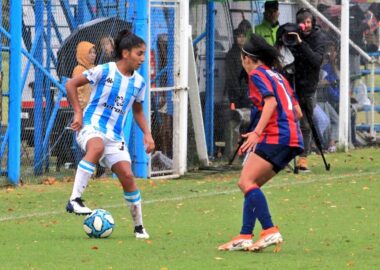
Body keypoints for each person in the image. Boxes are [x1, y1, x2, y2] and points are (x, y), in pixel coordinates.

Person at [65, 29, 155, 239]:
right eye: (139, 53)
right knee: (97, 147)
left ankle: (139, 227)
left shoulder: (139, 83)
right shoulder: (104, 70)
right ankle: (75, 199)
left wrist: (147, 134)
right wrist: (78, 113)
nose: (143, 58)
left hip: (115, 136)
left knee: (127, 176)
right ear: (125, 53)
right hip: (91, 126)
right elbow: (71, 84)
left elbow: (138, 110)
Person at [218, 34, 304, 252]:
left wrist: (257, 131)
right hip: (293, 138)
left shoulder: (256, 74)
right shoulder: (278, 76)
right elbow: (297, 113)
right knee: (251, 184)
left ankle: (269, 231)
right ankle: (245, 235)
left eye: (241, 58)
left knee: (245, 181)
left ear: (247, 58)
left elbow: (271, 102)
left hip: (278, 136)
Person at [286, 8, 326, 172]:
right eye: (303, 23)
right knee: (287, 121)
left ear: (313, 22)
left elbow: (316, 60)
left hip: (308, 87)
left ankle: (303, 159)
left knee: (306, 123)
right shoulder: (293, 34)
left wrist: (301, 43)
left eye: (309, 22)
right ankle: (284, 157)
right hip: (291, 84)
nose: (306, 26)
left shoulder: (319, 38)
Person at [224, 27, 252, 157]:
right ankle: (236, 148)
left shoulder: (247, 53)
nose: (241, 38)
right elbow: (231, 76)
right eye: (238, 36)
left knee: (247, 120)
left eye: (243, 36)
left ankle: (245, 146)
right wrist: (236, 93)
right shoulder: (231, 55)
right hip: (236, 93)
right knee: (237, 120)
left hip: (247, 91)